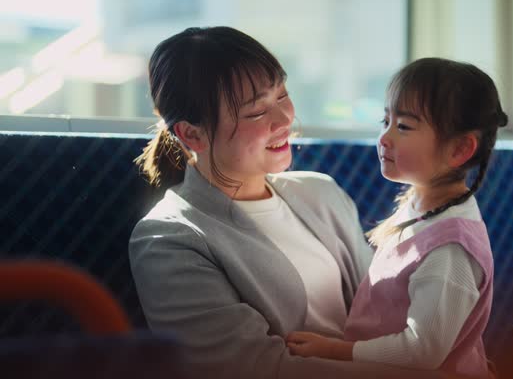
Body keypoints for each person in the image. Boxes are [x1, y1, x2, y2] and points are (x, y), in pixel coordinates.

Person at [129, 27, 449, 379]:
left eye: (282, 95)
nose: (284, 120)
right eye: (255, 112)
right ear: (192, 134)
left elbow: (388, 311)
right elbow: (257, 369)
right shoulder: (169, 239)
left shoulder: (321, 193)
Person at [286, 58, 508, 378]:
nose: (384, 138)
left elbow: (422, 351)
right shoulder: (419, 205)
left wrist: (334, 350)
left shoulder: (451, 250)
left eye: (403, 126)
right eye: (385, 121)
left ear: (459, 149)